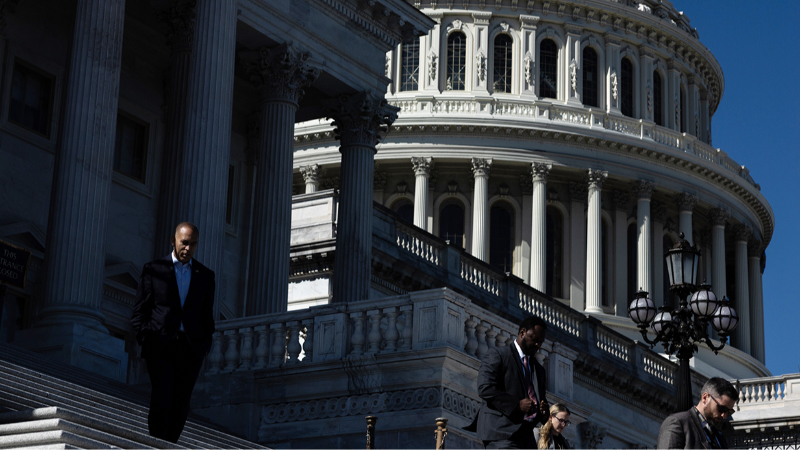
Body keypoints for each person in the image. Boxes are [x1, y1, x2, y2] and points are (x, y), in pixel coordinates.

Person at [131, 222, 216, 443]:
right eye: (184, 243)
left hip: (190, 349)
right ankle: (157, 442)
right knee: (162, 396)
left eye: (193, 244)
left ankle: (169, 444)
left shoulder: (205, 276)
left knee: (182, 402)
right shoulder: (153, 269)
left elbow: (207, 317)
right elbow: (140, 311)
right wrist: (145, 337)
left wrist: (204, 346)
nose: (188, 248)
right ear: (173, 241)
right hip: (160, 344)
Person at [475, 315, 550, 450]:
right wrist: (516, 405)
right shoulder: (498, 354)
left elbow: (539, 399)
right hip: (503, 433)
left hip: (527, 439)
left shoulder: (539, 369)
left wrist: (543, 412)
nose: (538, 345)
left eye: (541, 342)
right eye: (535, 339)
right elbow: (485, 388)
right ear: (522, 333)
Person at [657, 377, 738, 450]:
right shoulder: (679, 423)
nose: (724, 415)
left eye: (729, 411)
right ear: (705, 398)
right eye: (722, 408)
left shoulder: (719, 437)